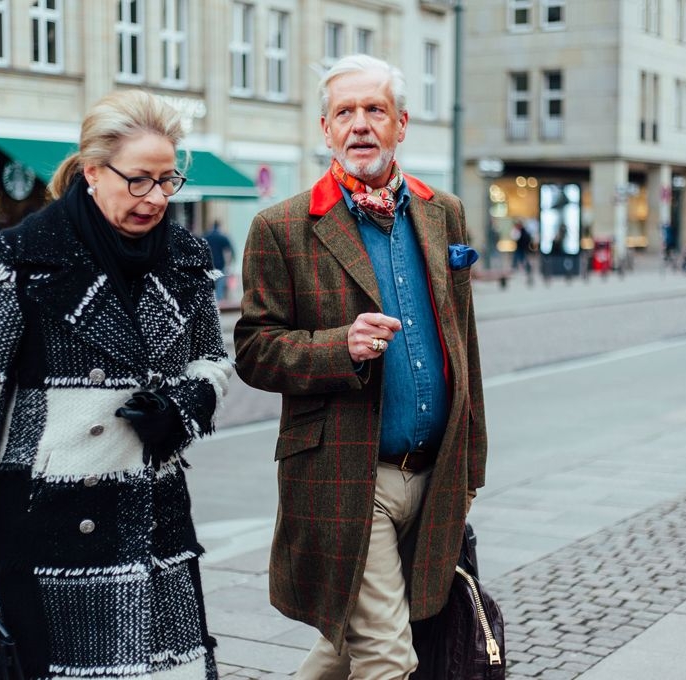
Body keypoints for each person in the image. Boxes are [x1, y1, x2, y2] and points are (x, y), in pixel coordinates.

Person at [0, 90, 231, 680]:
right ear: (94, 170)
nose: (155, 198)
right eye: (139, 180)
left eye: (168, 180)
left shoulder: (187, 257)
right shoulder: (24, 253)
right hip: (47, 508)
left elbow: (214, 360)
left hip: (153, 504)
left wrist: (184, 406)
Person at [233, 54, 488, 679]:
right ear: (325, 130)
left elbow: (465, 342)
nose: (359, 125)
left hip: (433, 472)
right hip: (347, 477)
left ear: (401, 123)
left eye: (374, 110)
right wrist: (337, 347)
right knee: (387, 656)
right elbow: (253, 348)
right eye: (344, 113)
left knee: (344, 645)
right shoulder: (282, 228)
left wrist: (470, 461)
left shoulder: (442, 212)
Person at [203, 219, 234, 300]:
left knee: (209, 290)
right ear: (219, 226)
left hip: (209, 267)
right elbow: (229, 252)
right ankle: (219, 306)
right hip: (220, 266)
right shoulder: (223, 237)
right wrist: (229, 264)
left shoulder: (206, 237)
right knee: (219, 291)